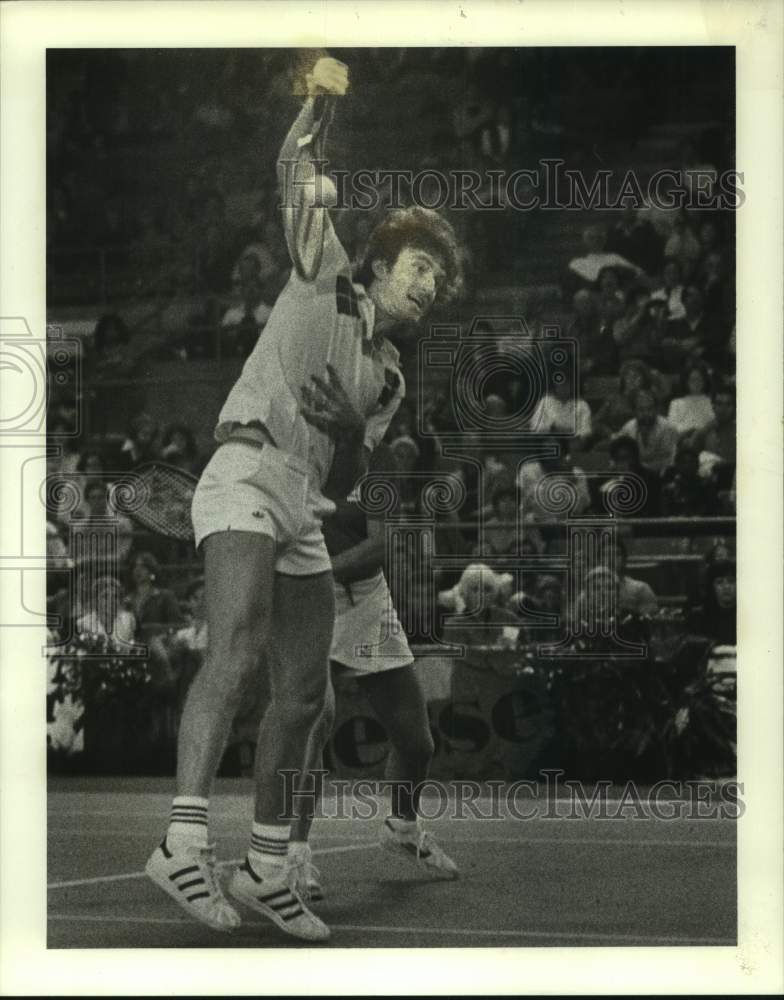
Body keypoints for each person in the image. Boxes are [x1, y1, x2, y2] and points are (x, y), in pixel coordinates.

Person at [146, 56, 463, 942]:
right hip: (244, 471)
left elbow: (339, 486)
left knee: (306, 699)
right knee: (239, 646)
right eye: (417, 264)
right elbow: (297, 177)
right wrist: (314, 116)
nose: (428, 282)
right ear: (380, 259)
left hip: (303, 505)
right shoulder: (321, 270)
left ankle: (268, 865)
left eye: (439, 278)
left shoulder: (390, 376)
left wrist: (352, 433)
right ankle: (180, 841)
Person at [282, 445, 458, 899]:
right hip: (311, 602)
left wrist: (321, 568)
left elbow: (379, 546)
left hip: (367, 600)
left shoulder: (376, 465)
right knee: (315, 726)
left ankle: (401, 825)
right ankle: (293, 855)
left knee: (417, 741)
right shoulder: (295, 452)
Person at [615, 389, 679, 475]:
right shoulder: (628, 427)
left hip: (662, 475)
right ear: (634, 411)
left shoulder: (667, 428)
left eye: (649, 409)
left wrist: (643, 469)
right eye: (641, 409)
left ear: (656, 409)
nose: (646, 413)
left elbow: (667, 460)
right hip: (635, 475)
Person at [666, 362, 715, 436]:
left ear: (704, 381)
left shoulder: (711, 401)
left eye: (699, 379)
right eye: (692, 380)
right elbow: (671, 429)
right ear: (686, 382)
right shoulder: (676, 403)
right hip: (682, 441)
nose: (696, 383)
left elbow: (712, 424)